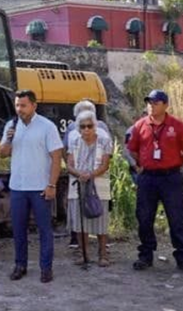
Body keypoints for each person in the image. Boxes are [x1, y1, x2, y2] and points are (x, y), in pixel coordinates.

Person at [127, 90, 183, 273]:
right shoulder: (140, 126)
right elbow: (132, 150)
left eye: (155, 102)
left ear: (165, 105)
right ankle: (145, 256)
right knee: (144, 217)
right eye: (149, 102)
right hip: (148, 178)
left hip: (170, 178)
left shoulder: (177, 126)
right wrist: (142, 164)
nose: (151, 105)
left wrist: (176, 165)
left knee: (177, 218)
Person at [0, 89, 63, 282]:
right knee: (18, 229)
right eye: (17, 105)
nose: (20, 109)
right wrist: (9, 138)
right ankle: (20, 265)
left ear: (34, 106)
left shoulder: (47, 127)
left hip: (40, 187)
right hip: (18, 186)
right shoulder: (11, 125)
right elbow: (2, 153)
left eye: (23, 105)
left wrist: (52, 184)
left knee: (44, 229)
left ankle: (46, 268)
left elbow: (56, 157)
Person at [66, 109, 113, 267]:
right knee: (80, 222)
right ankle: (83, 252)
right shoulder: (74, 141)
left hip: (98, 184)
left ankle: (103, 254)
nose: (86, 129)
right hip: (79, 183)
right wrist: (80, 174)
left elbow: (105, 164)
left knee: (101, 219)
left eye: (89, 125)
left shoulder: (104, 140)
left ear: (95, 126)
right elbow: (69, 164)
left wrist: (90, 174)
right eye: (83, 126)